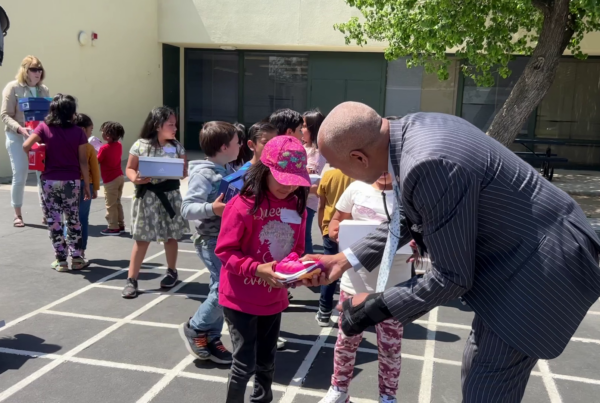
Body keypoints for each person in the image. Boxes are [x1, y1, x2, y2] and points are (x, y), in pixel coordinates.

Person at [306, 102, 600, 402]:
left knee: (486, 384)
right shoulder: (413, 129)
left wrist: (373, 307)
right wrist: (343, 259)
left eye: (340, 167)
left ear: (359, 157)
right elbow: (411, 215)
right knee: (478, 368)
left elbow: (451, 277)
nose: (340, 173)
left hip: (539, 271)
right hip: (527, 256)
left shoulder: (427, 162)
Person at [215, 135, 310, 403]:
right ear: (265, 169)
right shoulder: (242, 205)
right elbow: (225, 251)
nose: (289, 187)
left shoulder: (296, 206)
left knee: (267, 362)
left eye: (295, 181)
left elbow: (297, 248)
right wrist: (258, 270)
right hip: (239, 299)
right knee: (244, 363)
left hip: (273, 298)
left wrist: (295, 268)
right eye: (283, 179)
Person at [321, 173, 410, 403]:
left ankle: (387, 396)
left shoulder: (410, 194)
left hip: (394, 288)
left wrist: (419, 245)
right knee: (346, 340)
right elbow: (336, 220)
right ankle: (339, 390)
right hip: (354, 282)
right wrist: (335, 230)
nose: (385, 170)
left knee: (390, 347)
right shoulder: (356, 188)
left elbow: (426, 233)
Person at [179, 121, 240, 365]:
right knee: (224, 289)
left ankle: (211, 336)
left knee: (219, 287)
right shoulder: (204, 173)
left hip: (225, 238)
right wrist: (212, 209)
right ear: (224, 146)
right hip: (210, 240)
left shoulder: (227, 169)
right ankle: (195, 328)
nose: (239, 146)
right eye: (236, 142)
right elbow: (187, 208)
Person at [122, 106, 189, 299]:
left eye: (175, 124)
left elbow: (183, 170)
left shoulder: (177, 146)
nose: (175, 128)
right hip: (147, 197)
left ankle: (171, 271)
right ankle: (131, 280)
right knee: (142, 239)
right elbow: (130, 168)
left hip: (170, 196)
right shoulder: (140, 145)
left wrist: (183, 172)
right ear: (157, 125)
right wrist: (135, 178)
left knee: (171, 237)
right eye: (171, 124)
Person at [23, 94, 90, 271]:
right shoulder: (78, 132)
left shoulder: (44, 128)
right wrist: (87, 185)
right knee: (73, 219)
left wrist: (40, 153)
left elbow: (26, 146)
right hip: (72, 181)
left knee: (54, 220)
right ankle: (77, 258)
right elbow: (83, 161)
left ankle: (61, 261)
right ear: (71, 112)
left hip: (49, 181)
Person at [1, 55, 50, 227]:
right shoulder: (12, 88)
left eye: (40, 69)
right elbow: (5, 115)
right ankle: (17, 214)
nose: (38, 72)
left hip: (38, 135)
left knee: (42, 174)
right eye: (34, 69)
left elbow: (47, 115)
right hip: (17, 136)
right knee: (20, 173)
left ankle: (46, 212)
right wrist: (20, 129)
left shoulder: (43, 89)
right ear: (25, 71)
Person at [314, 168, 353, 326]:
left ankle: (324, 311)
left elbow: (321, 206)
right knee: (351, 273)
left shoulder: (328, 175)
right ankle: (351, 314)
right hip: (352, 229)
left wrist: (322, 226)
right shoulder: (358, 176)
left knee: (328, 270)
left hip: (329, 229)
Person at [63, 113, 99, 265]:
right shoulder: (89, 148)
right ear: (83, 129)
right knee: (83, 219)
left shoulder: (66, 145)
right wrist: (95, 187)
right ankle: (81, 252)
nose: (92, 132)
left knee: (69, 219)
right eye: (91, 129)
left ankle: (66, 251)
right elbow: (94, 169)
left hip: (69, 184)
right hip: (86, 184)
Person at [302, 109, 327, 255]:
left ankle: (308, 270)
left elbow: (314, 184)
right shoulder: (304, 147)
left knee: (304, 238)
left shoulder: (317, 152)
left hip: (307, 202)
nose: (301, 129)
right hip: (300, 199)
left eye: (304, 126)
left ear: (313, 128)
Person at [97, 121, 126, 236]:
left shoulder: (104, 148)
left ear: (108, 135)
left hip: (110, 180)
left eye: (103, 132)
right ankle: (120, 224)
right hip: (119, 177)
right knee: (117, 202)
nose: (102, 134)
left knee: (110, 204)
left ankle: (113, 227)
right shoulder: (119, 145)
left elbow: (97, 161)